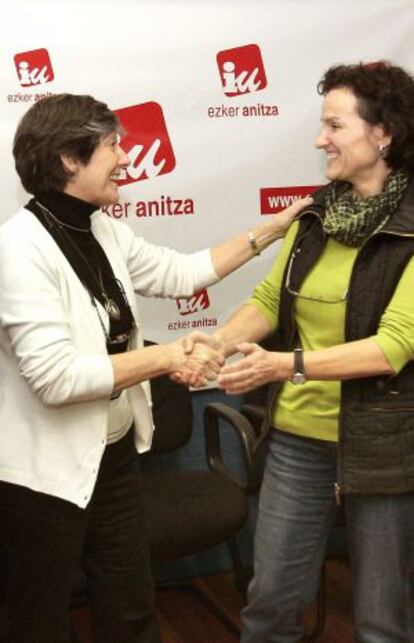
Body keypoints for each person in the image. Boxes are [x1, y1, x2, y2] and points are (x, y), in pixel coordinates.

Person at [0, 93, 309, 643]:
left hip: (112, 455)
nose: (126, 158)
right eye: (113, 146)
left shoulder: (102, 229)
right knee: (37, 619)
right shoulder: (18, 249)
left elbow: (183, 272)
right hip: (42, 477)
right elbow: (57, 378)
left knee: (130, 606)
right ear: (70, 159)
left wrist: (276, 228)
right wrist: (167, 356)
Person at [181, 61, 414, 642]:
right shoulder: (315, 215)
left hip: (384, 447)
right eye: (321, 125)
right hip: (298, 440)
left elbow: (393, 347)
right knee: (269, 604)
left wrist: (286, 365)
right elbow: (268, 300)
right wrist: (217, 340)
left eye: (335, 125)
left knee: (382, 620)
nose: (320, 139)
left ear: (382, 132)